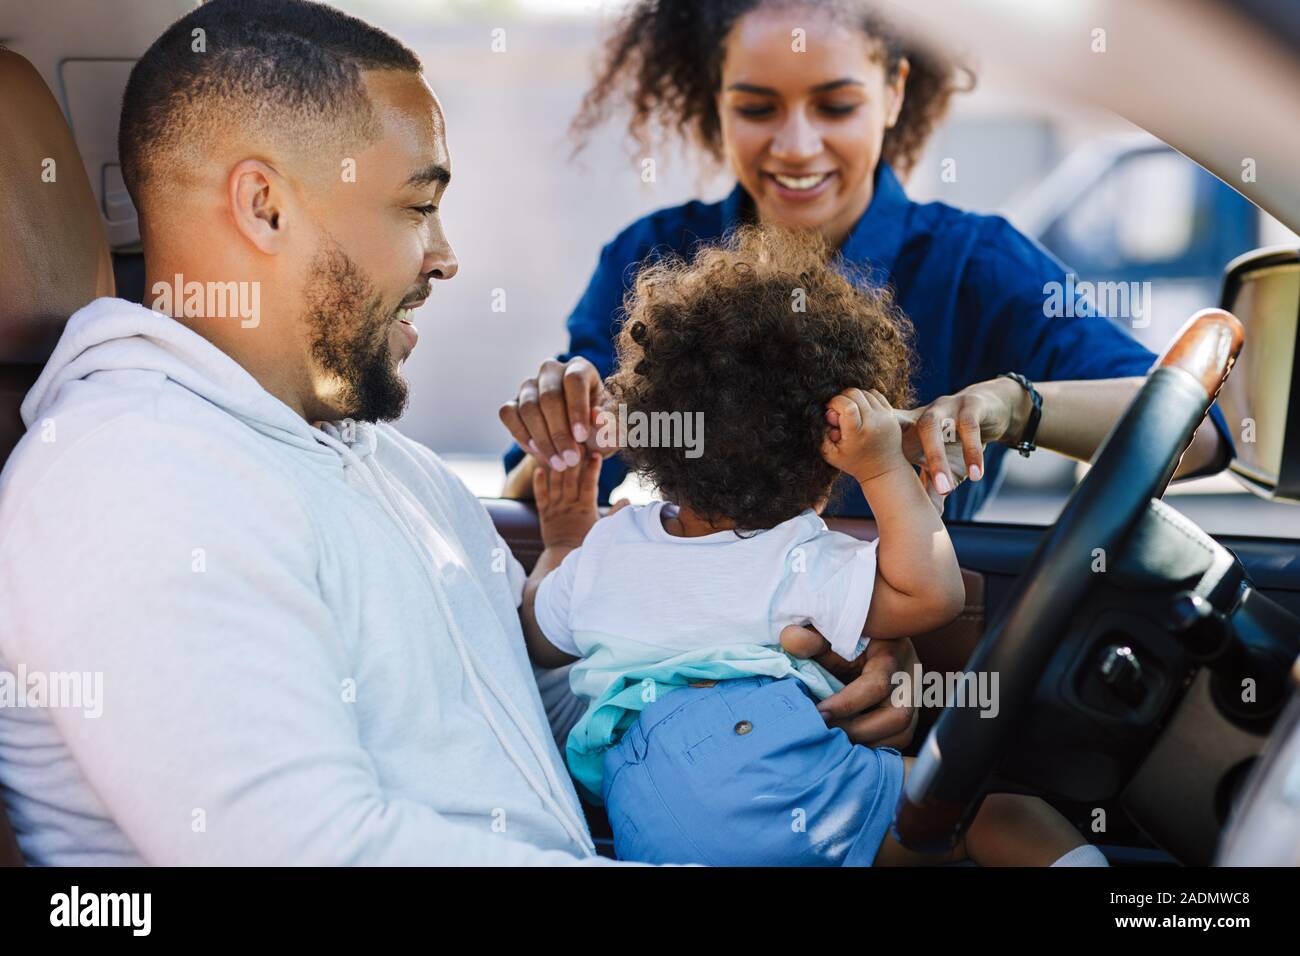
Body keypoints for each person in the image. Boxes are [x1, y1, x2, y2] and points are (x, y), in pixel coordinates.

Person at [0, 0, 613, 865]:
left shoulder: (391, 465)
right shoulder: (133, 478)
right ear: (265, 208)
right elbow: (309, 851)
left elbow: (518, 732)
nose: (445, 255)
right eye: (416, 206)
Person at [499, 0, 1231, 517]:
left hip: (906, 653)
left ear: (893, 93)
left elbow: (1194, 434)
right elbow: (538, 502)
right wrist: (573, 427)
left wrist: (1012, 405)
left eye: (835, 106)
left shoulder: (974, 265)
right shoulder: (648, 256)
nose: (795, 145)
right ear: (713, 101)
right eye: (756, 109)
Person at [514, 227, 1106, 866]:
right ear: (828, 470)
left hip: (650, 812)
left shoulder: (610, 548)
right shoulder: (798, 558)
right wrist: (885, 471)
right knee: (1004, 817)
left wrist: (567, 533)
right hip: (781, 785)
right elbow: (932, 594)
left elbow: (538, 634)